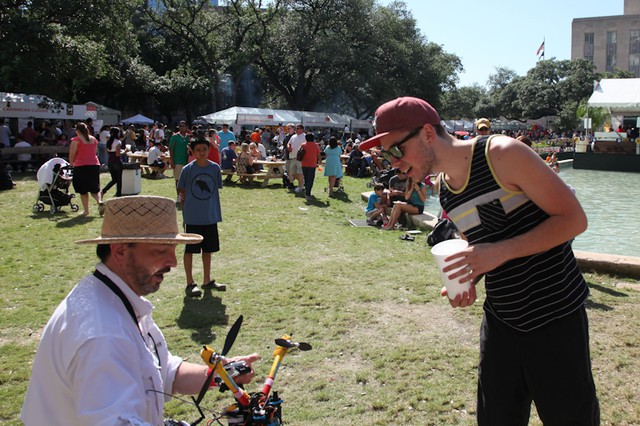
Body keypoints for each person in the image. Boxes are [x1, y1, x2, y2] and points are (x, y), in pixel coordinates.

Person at [358, 96, 599, 425]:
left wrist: (498, 252)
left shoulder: (502, 154)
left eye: (396, 151)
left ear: (427, 132)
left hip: (555, 317)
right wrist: (471, 272)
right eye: (385, 155)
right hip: (501, 322)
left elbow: (573, 220)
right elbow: (486, 242)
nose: (393, 163)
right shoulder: (445, 189)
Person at [20, 195, 258, 424]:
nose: (173, 263)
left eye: (173, 249)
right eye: (160, 250)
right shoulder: (103, 335)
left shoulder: (114, 296)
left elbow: (163, 373)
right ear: (121, 251)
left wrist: (222, 375)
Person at [178, 138, 227, 297]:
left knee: (208, 249)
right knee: (190, 250)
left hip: (210, 215)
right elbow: (182, 192)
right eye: (198, 149)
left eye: (204, 149)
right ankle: (190, 282)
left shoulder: (215, 168)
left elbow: (217, 188)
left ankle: (207, 280)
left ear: (209, 150)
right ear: (192, 151)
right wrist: (185, 214)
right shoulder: (188, 169)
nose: (201, 152)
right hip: (193, 217)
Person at [69, 122, 103, 216]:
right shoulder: (94, 139)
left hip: (81, 165)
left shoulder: (76, 140)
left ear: (77, 130)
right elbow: (95, 152)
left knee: (83, 190)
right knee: (94, 188)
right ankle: (99, 201)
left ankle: (86, 211)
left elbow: (72, 154)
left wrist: (71, 164)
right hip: (94, 165)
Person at [169, 121, 190, 201]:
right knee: (178, 179)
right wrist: (172, 161)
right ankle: (178, 196)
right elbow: (171, 149)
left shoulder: (188, 137)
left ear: (186, 127)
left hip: (187, 161)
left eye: (183, 126)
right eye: (180, 126)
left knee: (186, 180)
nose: (181, 127)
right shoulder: (175, 137)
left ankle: (185, 194)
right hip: (177, 161)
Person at [101, 127, 124, 198]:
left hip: (110, 161)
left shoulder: (109, 141)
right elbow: (117, 154)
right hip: (117, 161)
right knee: (119, 179)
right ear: (117, 133)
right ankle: (119, 194)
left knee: (114, 179)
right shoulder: (118, 142)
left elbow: (107, 152)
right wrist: (125, 151)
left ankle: (104, 190)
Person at [300, 132, 321, 200]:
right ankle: (308, 193)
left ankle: (306, 191)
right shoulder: (315, 145)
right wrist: (320, 162)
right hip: (312, 164)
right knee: (310, 179)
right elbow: (318, 155)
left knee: (306, 179)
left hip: (304, 164)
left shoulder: (303, 145)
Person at [287, 124, 306, 193]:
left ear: (302, 129)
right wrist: (289, 146)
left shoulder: (305, 136)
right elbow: (289, 143)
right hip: (292, 157)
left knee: (300, 172)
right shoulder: (293, 136)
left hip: (300, 158)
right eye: (296, 128)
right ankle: (302, 182)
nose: (296, 130)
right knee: (291, 172)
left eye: (297, 128)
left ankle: (300, 186)